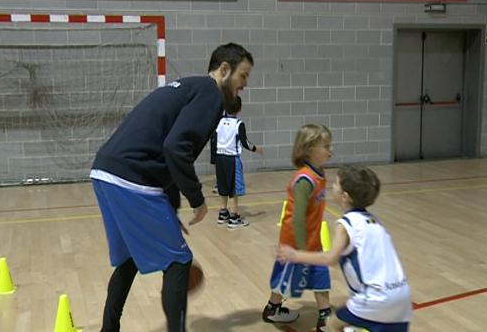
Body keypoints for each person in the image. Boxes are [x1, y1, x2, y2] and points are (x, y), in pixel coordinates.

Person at [90, 42, 254, 332]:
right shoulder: (210, 94)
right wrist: (196, 198)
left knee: (129, 259)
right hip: (132, 177)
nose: (245, 84)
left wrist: (171, 208)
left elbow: (166, 152)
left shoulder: (189, 88)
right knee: (179, 262)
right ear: (224, 69)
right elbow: (176, 148)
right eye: (243, 75)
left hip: (105, 171)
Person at [277, 165, 412, 332]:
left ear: (345, 196)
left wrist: (296, 255)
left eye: (336, 184)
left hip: (375, 298)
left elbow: (330, 259)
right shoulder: (374, 221)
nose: (332, 186)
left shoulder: (346, 224)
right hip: (402, 296)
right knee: (349, 316)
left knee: (331, 326)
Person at [262, 124, 334, 332]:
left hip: (312, 241)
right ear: (308, 149)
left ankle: (324, 319)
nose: (331, 150)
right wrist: (300, 251)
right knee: (283, 281)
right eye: (326, 146)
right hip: (295, 243)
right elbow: (298, 219)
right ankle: (272, 309)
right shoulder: (304, 179)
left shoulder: (319, 172)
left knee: (321, 278)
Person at [214, 95, 263, 227]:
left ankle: (223, 213)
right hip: (232, 160)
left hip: (220, 158)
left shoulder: (219, 122)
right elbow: (245, 142)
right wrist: (256, 149)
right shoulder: (238, 124)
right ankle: (234, 218)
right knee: (233, 189)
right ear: (240, 108)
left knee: (222, 186)